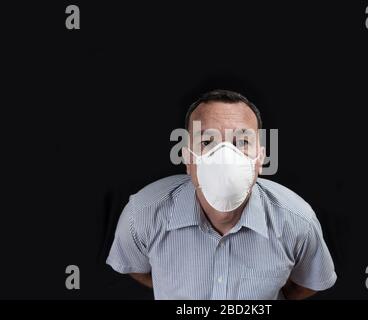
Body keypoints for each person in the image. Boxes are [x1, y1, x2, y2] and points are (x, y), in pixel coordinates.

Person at [106, 89, 337, 299]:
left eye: (243, 141)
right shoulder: (142, 215)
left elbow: (306, 284)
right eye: (207, 141)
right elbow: (136, 269)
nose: (225, 155)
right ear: (188, 159)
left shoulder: (298, 222)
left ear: (260, 159)